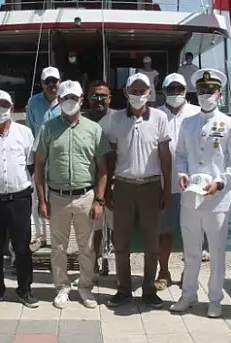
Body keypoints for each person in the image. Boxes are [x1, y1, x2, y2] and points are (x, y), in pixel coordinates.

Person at [169, 69, 231, 318]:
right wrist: (181, 173)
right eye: (201, 91)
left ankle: (215, 299)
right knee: (191, 252)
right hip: (190, 197)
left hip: (216, 199)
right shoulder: (187, 124)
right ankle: (188, 295)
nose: (205, 95)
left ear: (219, 94)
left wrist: (221, 183)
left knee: (216, 252)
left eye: (210, 90)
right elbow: (180, 155)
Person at [33, 80, 111, 309]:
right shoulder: (48, 128)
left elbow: (103, 169)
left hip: (86, 196)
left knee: (87, 247)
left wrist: (99, 199)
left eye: (73, 98)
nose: (69, 102)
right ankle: (61, 288)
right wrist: (41, 199)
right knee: (58, 247)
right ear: (59, 100)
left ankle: (85, 288)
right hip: (56, 197)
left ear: (81, 100)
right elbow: (39, 165)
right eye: (65, 98)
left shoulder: (94, 129)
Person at [104, 73, 172, 309]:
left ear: (150, 93)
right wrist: (108, 190)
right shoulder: (116, 120)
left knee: (151, 243)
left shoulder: (160, 118)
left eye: (143, 91)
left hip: (152, 186)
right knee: (120, 242)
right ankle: (123, 289)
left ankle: (149, 290)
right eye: (134, 90)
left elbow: (165, 155)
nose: (138, 94)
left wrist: (167, 189)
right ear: (126, 92)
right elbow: (111, 155)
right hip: (122, 185)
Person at [0, 90, 38, 309]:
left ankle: (25, 289)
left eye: (4, 106)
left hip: (20, 198)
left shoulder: (25, 133)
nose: (0, 110)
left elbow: (31, 165)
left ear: (12, 108)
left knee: (22, 248)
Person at [153, 73, 200, 290]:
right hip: (165, 186)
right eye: (170, 89)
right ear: (163, 91)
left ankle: (189, 273)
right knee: (164, 232)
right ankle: (163, 271)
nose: (175, 93)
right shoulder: (155, 115)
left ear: (185, 91)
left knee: (192, 232)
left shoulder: (197, 113)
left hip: (193, 186)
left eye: (179, 89)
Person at [25, 66, 61, 251]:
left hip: (59, 158)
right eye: (48, 82)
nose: (52, 85)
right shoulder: (33, 103)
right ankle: (39, 236)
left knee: (57, 198)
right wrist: (31, 159)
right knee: (37, 199)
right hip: (39, 157)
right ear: (42, 84)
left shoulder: (65, 101)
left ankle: (56, 236)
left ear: (59, 82)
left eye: (54, 81)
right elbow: (29, 131)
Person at [84, 80, 115, 276]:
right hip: (89, 183)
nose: (99, 100)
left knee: (115, 227)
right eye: (94, 96)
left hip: (114, 182)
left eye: (103, 96)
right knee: (93, 227)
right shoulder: (82, 120)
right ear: (88, 98)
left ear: (109, 98)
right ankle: (92, 262)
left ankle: (113, 260)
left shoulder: (119, 119)